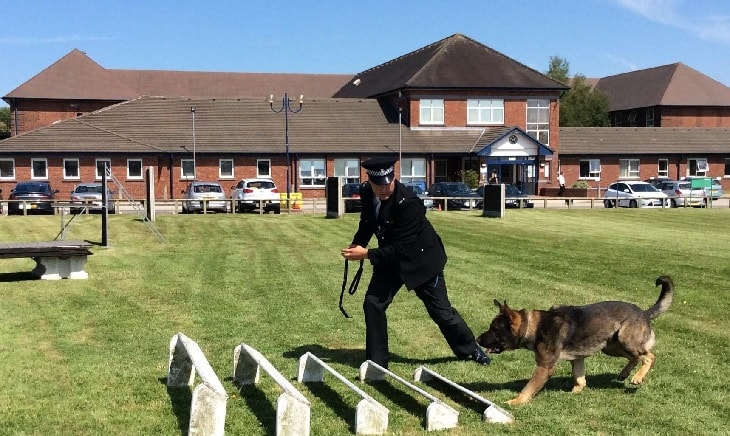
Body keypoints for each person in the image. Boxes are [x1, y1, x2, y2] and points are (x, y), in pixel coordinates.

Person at [340, 157, 491, 368]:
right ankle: (377, 362)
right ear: (369, 182)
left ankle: (471, 348)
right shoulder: (367, 192)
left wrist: (365, 254)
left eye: (388, 183)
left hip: (421, 261)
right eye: (378, 185)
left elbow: (404, 248)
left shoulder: (408, 203)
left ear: (394, 178)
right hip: (390, 260)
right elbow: (367, 223)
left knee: (442, 313)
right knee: (373, 303)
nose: (384, 189)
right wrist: (356, 245)